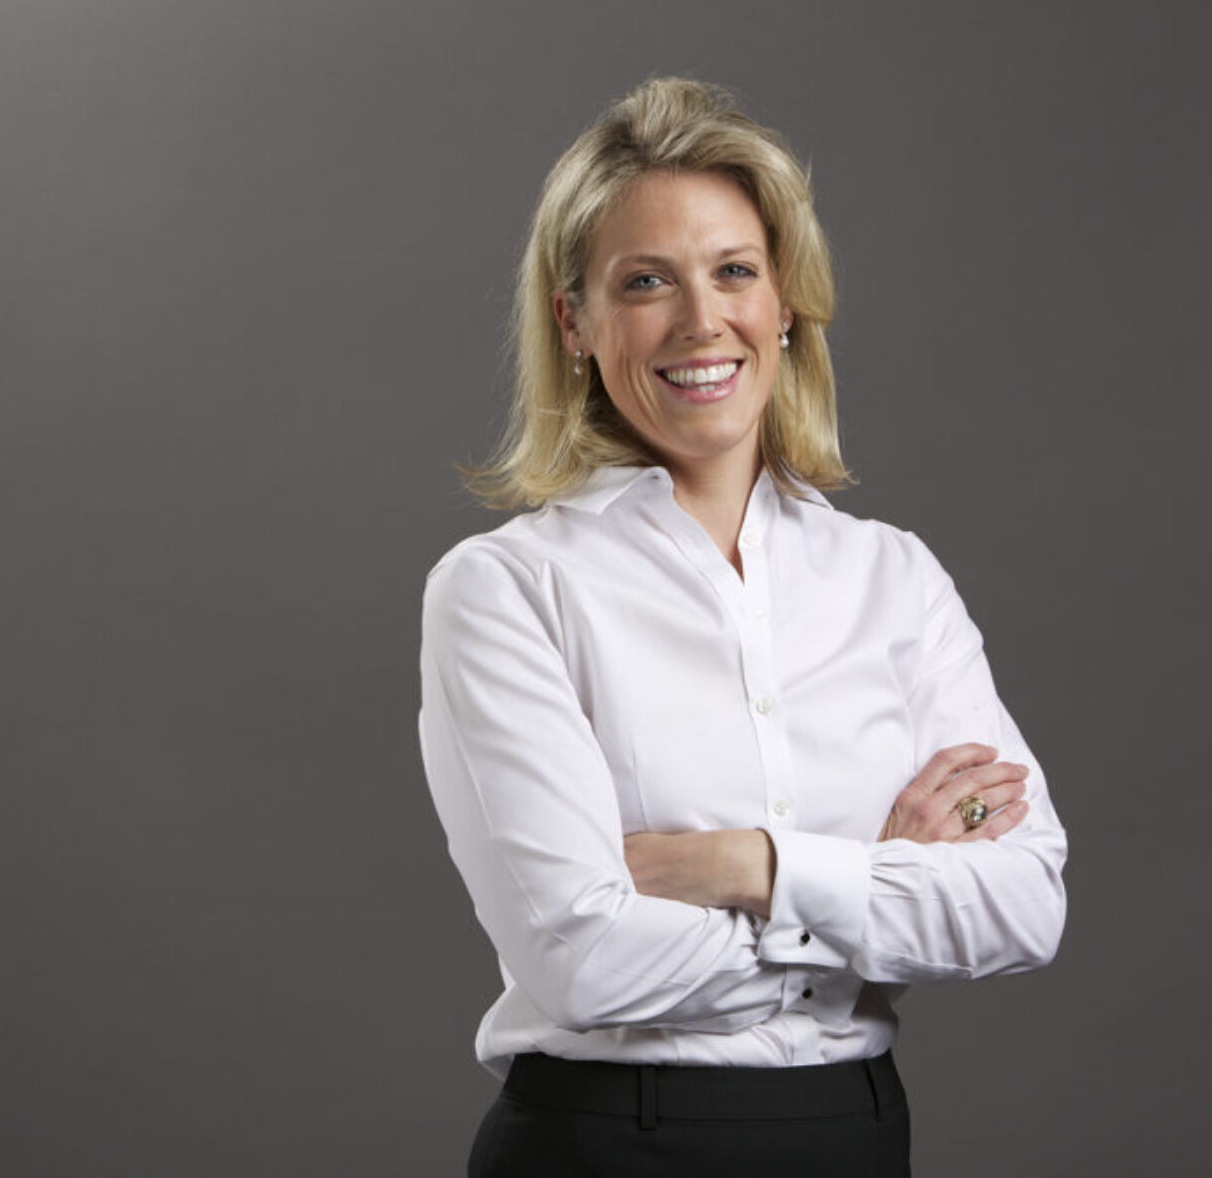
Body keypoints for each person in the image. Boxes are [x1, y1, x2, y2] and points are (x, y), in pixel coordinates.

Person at [417, 77, 1067, 1177]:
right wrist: (869, 887)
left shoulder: (893, 579)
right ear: (574, 322)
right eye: (645, 283)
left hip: (854, 1136)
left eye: (734, 272)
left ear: (785, 302)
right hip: (605, 1146)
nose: (700, 321)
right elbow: (580, 962)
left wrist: (746, 865)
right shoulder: (506, 591)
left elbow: (1022, 905)